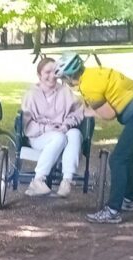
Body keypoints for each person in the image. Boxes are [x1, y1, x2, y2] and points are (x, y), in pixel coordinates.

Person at [54, 52, 133, 223]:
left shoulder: (88, 86)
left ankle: (112, 211)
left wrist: (86, 111)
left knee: (117, 160)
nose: (63, 82)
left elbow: (109, 114)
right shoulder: (93, 73)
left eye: (63, 79)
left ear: (69, 76)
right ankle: (130, 201)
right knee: (128, 156)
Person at [20, 56, 84, 197]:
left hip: (61, 131)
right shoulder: (31, 94)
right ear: (39, 75)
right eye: (47, 72)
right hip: (39, 136)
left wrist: (66, 126)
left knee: (74, 134)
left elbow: (78, 112)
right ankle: (38, 180)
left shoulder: (65, 92)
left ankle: (67, 180)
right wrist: (46, 129)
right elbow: (26, 124)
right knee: (58, 138)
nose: (51, 76)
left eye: (54, 72)